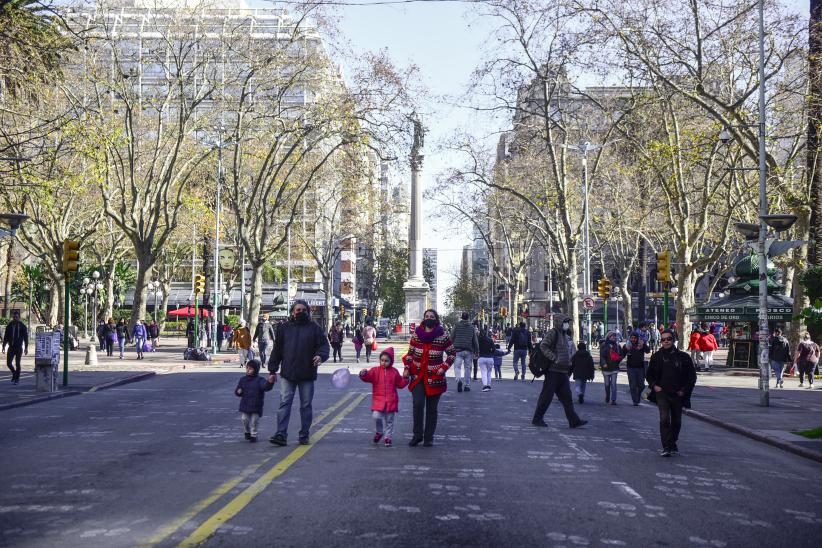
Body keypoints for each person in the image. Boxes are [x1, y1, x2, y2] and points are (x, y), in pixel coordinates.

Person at [267, 300, 330, 447]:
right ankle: (281, 434)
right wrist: (272, 370)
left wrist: (320, 356)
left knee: (306, 405)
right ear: (292, 311)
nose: (300, 312)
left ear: (308, 311)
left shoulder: (314, 328)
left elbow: (323, 346)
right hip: (288, 373)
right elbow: (277, 350)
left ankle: (304, 434)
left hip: (307, 374)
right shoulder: (284, 328)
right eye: (297, 309)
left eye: (303, 309)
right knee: (284, 403)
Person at [402, 309, 455, 447]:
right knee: (418, 404)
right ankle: (417, 435)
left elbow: (452, 354)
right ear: (424, 318)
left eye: (432, 316)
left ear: (436, 319)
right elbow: (410, 354)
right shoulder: (416, 335)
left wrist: (444, 367)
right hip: (418, 376)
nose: (429, 318)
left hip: (435, 378)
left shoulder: (442, 336)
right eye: (427, 316)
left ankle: (428, 437)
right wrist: (407, 368)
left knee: (432, 409)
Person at [646, 329, 697, 457]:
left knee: (677, 421)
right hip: (661, 392)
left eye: (668, 339)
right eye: (663, 340)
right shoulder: (656, 356)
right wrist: (654, 386)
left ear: (673, 340)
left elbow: (691, 377)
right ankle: (666, 446)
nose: (666, 342)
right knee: (664, 419)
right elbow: (649, 374)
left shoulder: (683, 357)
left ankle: (672, 443)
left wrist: (683, 390)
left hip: (677, 393)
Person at [531, 313, 587, 428]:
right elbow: (543, 346)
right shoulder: (553, 333)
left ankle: (574, 421)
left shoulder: (564, 334)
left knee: (567, 398)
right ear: (559, 323)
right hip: (553, 371)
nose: (567, 324)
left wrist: (569, 363)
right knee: (546, 397)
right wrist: (554, 358)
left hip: (563, 372)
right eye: (565, 322)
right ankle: (537, 419)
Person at [359, 347, 409, 448]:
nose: (383, 363)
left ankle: (388, 438)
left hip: (391, 401)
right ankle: (379, 432)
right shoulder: (375, 371)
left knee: (389, 421)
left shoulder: (394, 372)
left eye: (386, 361)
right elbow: (367, 377)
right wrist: (363, 374)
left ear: (391, 361)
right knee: (376, 416)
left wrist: (406, 378)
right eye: (382, 360)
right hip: (378, 401)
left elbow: (400, 384)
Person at [235, 358, 275, 442]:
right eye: (247, 368)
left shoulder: (260, 380)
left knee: (254, 421)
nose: (248, 370)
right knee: (244, 419)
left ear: (255, 370)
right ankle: (247, 432)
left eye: (251, 369)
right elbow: (238, 390)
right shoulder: (243, 380)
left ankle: (254, 435)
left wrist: (270, 382)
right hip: (245, 404)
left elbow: (265, 387)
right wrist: (238, 392)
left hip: (256, 405)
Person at [450, 312, 478, 393]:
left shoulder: (457, 325)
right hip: (468, 351)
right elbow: (475, 341)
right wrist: (477, 350)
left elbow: (452, 337)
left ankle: (458, 380)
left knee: (457, 367)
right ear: (468, 318)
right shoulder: (472, 327)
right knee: (468, 368)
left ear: (461, 318)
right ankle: (467, 386)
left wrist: (449, 346)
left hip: (458, 350)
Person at [2, 311, 28, 384]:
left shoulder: (22, 326)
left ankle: (17, 379)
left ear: (19, 318)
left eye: (16, 317)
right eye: (14, 317)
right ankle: (14, 373)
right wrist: (3, 346)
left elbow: (26, 338)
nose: (15, 318)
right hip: (11, 347)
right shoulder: (9, 325)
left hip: (19, 348)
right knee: (8, 363)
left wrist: (26, 348)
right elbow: (6, 337)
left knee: (17, 364)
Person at [624, 333, 650, 406]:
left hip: (640, 368)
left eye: (634, 338)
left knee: (641, 385)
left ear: (637, 338)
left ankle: (638, 397)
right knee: (633, 385)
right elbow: (622, 353)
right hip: (631, 368)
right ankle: (635, 400)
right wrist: (626, 349)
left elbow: (648, 351)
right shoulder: (628, 344)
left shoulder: (640, 344)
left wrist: (644, 344)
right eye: (631, 338)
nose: (633, 339)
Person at [599, 331, 622, 405]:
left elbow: (620, 355)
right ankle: (607, 396)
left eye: (614, 336)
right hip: (606, 368)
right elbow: (601, 356)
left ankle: (613, 399)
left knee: (613, 384)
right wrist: (604, 363)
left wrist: (619, 360)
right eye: (612, 336)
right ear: (608, 337)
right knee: (607, 384)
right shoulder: (603, 345)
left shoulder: (617, 346)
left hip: (614, 367)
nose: (613, 337)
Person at [476, 327, 497, 392]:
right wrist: (491, 354)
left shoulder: (478, 340)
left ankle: (485, 385)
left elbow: (476, 348)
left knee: (483, 372)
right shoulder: (490, 340)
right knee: (489, 372)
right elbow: (494, 349)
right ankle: (489, 385)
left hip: (482, 357)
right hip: (490, 358)